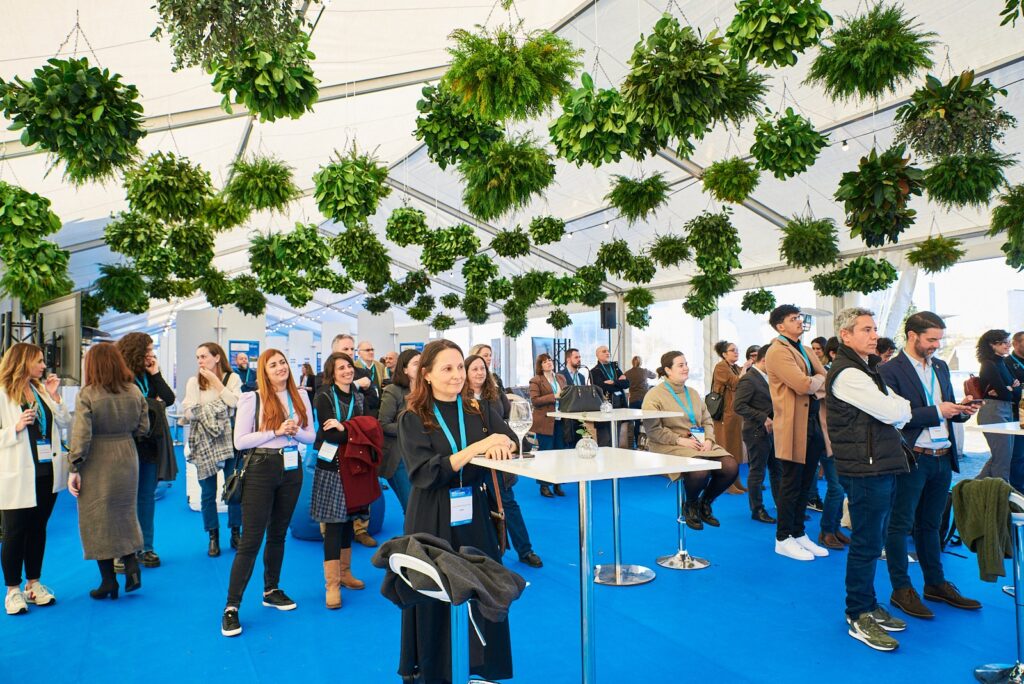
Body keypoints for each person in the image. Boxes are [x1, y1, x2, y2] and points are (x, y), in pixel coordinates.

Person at [396, 339, 518, 682]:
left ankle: (480, 668)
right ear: (427, 375)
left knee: (484, 589)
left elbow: (511, 438)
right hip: (431, 517)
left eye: (460, 367)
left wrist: (502, 445)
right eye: (447, 368)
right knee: (434, 595)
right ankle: (433, 672)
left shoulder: (478, 410)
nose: (457, 375)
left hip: (475, 512)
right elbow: (426, 472)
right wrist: (480, 446)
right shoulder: (413, 418)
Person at [877, 312, 982, 620]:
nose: (937, 345)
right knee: (899, 525)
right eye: (931, 339)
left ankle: (935, 583)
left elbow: (946, 409)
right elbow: (894, 417)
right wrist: (938, 411)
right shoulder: (888, 371)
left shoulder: (939, 366)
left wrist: (962, 410)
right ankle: (901, 589)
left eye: (939, 339)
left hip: (942, 457)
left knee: (931, 525)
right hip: (912, 457)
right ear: (912, 336)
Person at [825, 308, 913, 651]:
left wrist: (898, 409)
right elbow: (893, 411)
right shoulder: (848, 374)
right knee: (865, 543)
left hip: (876, 465)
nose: (874, 335)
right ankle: (857, 613)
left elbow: (898, 407)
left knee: (872, 541)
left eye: (874, 329)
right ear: (845, 335)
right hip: (864, 468)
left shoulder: (866, 368)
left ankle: (867, 603)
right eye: (865, 329)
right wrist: (898, 409)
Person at [221, 349, 315, 638]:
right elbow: (240, 441)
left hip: (292, 469)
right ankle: (231, 607)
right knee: (251, 540)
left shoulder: (301, 395)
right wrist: (276, 431)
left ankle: (271, 590)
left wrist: (294, 431)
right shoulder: (253, 397)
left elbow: (311, 436)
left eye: (283, 362)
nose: (280, 367)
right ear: (264, 370)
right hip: (261, 468)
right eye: (273, 364)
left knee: (278, 534)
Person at [66, 343, 149, 600]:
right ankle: (131, 563)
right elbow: (143, 428)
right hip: (127, 455)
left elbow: (81, 435)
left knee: (96, 517)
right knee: (125, 512)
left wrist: (74, 466)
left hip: (97, 459)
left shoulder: (88, 394)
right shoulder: (134, 390)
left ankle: (108, 581)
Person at [0, 343, 70, 614]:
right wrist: (15, 428)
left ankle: (34, 584)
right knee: (14, 532)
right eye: (39, 361)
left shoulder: (40, 391)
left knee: (38, 529)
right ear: (23, 362)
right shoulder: (3, 393)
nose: (44, 366)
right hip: (17, 474)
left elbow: (64, 423)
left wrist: (55, 396)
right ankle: (12, 591)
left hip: (46, 472)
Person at [642, 351, 738, 529]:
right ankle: (691, 505)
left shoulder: (693, 393)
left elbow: (707, 421)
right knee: (700, 470)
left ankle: (705, 502)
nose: (686, 368)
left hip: (699, 442)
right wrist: (679, 440)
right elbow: (653, 430)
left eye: (686, 364)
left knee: (731, 466)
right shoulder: (654, 395)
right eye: (680, 365)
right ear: (667, 370)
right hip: (668, 445)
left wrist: (709, 440)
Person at [765, 305, 830, 562]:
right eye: (794, 319)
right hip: (792, 424)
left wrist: (816, 382)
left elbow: (825, 376)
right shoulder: (777, 351)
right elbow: (803, 384)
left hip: (812, 423)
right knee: (791, 483)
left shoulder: (803, 348)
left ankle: (798, 532)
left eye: (799, 318)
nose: (800, 322)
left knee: (806, 482)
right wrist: (816, 382)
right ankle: (783, 538)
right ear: (780, 326)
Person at [466, 353, 542, 568]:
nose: (480, 372)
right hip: (471, 461)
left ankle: (525, 550)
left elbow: (511, 421)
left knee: (507, 503)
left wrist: (510, 445)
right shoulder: (458, 399)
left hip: (499, 461)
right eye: (474, 369)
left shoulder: (496, 394)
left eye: (482, 368)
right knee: (475, 506)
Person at [312, 352, 373, 610]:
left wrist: (345, 428)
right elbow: (330, 436)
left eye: (349, 366)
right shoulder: (324, 396)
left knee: (349, 521)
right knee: (334, 525)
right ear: (332, 373)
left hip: (353, 465)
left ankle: (346, 574)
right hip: (331, 467)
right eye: (341, 368)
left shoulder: (359, 397)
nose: (347, 371)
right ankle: (332, 585)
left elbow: (370, 427)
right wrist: (353, 430)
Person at [116, 332, 175, 569]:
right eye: (148, 350)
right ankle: (123, 551)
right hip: (125, 445)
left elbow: (169, 398)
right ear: (136, 351)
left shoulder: (148, 375)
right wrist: (153, 403)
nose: (151, 354)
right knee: (124, 499)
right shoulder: (119, 376)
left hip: (149, 445)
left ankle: (146, 548)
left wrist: (156, 373)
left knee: (146, 498)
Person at [181, 342, 242, 557]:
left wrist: (216, 383)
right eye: (198, 357)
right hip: (203, 441)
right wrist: (216, 411)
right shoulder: (193, 382)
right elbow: (189, 411)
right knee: (207, 493)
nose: (200, 361)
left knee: (234, 488)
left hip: (230, 440)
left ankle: (236, 532)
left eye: (204, 356)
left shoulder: (232, 378)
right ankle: (213, 536)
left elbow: (235, 403)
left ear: (217, 357)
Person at [331, 334, 376, 547]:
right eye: (345, 349)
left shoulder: (362, 372)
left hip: (358, 441)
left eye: (351, 349)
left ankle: (361, 529)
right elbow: (324, 399)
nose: (349, 353)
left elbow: (373, 401)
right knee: (334, 489)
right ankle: (330, 530)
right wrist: (357, 385)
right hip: (333, 445)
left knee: (362, 485)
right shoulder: (324, 376)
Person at [733, 344, 780, 524]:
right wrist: (762, 417)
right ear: (764, 360)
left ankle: (782, 506)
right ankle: (757, 509)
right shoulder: (749, 379)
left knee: (777, 470)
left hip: (773, 431)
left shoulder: (770, 377)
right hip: (756, 431)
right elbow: (738, 406)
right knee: (757, 472)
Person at [976, 329, 1021, 485]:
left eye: (1008, 342)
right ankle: (999, 493)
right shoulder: (988, 364)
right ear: (991, 345)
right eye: (1003, 343)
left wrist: (1009, 389)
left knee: (1003, 456)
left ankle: (972, 489)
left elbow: (1016, 392)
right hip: (993, 411)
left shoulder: (1002, 362)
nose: (1008, 345)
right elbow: (1006, 393)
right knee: (1002, 458)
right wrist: (1010, 389)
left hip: (1006, 409)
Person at [377, 349, 419, 514]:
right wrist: (411, 428)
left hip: (422, 456)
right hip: (398, 458)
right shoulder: (393, 390)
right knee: (411, 507)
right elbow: (383, 424)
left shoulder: (427, 391)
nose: (421, 367)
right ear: (405, 369)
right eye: (416, 364)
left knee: (422, 507)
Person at [529, 353, 565, 498]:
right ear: (540, 365)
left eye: (550, 360)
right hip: (544, 421)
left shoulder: (560, 378)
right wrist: (554, 396)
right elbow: (535, 401)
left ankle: (558, 483)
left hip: (560, 420)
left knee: (560, 453)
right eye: (545, 361)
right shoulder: (536, 380)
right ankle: (544, 486)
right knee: (546, 454)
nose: (549, 363)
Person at [712, 341, 745, 494]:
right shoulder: (721, 367)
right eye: (732, 350)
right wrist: (745, 369)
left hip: (735, 413)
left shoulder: (735, 367)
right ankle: (726, 483)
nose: (736, 352)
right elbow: (735, 383)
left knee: (735, 448)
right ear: (724, 354)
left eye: (737, 349)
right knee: (726, 447)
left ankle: (736, 481)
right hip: (724, 414)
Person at [589, 346, 629, 446]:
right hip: (604, 408)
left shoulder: (615, 367)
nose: (608, 353)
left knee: (616, 439)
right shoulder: (594, 371)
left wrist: (613, 382)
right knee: (605, 439)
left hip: (619, 406)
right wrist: (618, 383)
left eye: (608, 351)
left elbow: (626, 384)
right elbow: (602, 387)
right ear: (597, 355)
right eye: (604, 351)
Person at [469, 343, 510, 419]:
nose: (489, 358)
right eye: (485, 355)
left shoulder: (495, 379)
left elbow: (507, 410)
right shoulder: (464, 391)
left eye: (490, 355)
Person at [1006, 331, 1024, 490]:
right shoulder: (1007, 363)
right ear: (1015, 343)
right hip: (1016, 414)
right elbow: (1011, 389)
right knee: (1018, 454)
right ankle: (1018, 490)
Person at [559, 348, 587, 448]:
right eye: (576, 357)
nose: (579, 359)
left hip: (581, 417)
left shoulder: (581, 377)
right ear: (568, 359)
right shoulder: (560, 375)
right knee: (569, 447)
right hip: (567, 418)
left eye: (579, 357)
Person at [624, 355, 655, 448]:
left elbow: (624, 383)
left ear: (632, 362)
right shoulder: (644, 371)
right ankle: (647, 442)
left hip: (633, 400)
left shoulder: (627, 373)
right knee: (647, 421)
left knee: (635, 423)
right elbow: (654, 376)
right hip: (644, 399)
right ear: (640, 362)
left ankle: (634, 444)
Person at [356, 340, 386, 418]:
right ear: (359, 353)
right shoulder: (354, 366)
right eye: (367, 350)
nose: (371, 352)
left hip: (379, 407)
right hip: (363, 408)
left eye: (372, 350)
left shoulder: (380, 366)